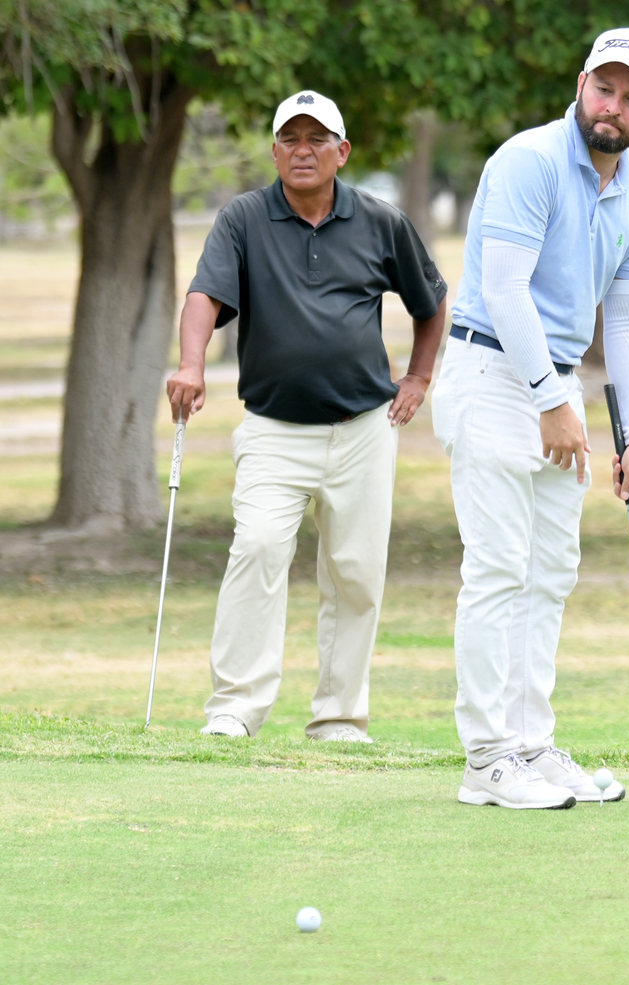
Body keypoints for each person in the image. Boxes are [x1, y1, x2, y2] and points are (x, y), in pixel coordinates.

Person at [432, 27, 629, 808]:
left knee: (549, 573)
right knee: (499, 566)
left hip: (552, 384)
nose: (613, 106)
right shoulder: (528, 161)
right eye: (605, 88)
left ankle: (530, 744)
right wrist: (551, 401)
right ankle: (487, 759)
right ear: (581, 84)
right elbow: (503, 288)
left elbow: (627, 323)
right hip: (493, 368)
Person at [167, 90, 449, 741]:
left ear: (342, 152)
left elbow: (430, 304)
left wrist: (419, 377)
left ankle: (339, 714)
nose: (302, 149)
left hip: (363, 428)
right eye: (290, 138)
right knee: (259, 546)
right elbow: (205, 294)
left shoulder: (381, 221)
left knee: (355, 572)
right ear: (273, 151)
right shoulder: (243, 218)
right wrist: (190, 363)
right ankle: (235, 707)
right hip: (272, 427)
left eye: (317, 138)